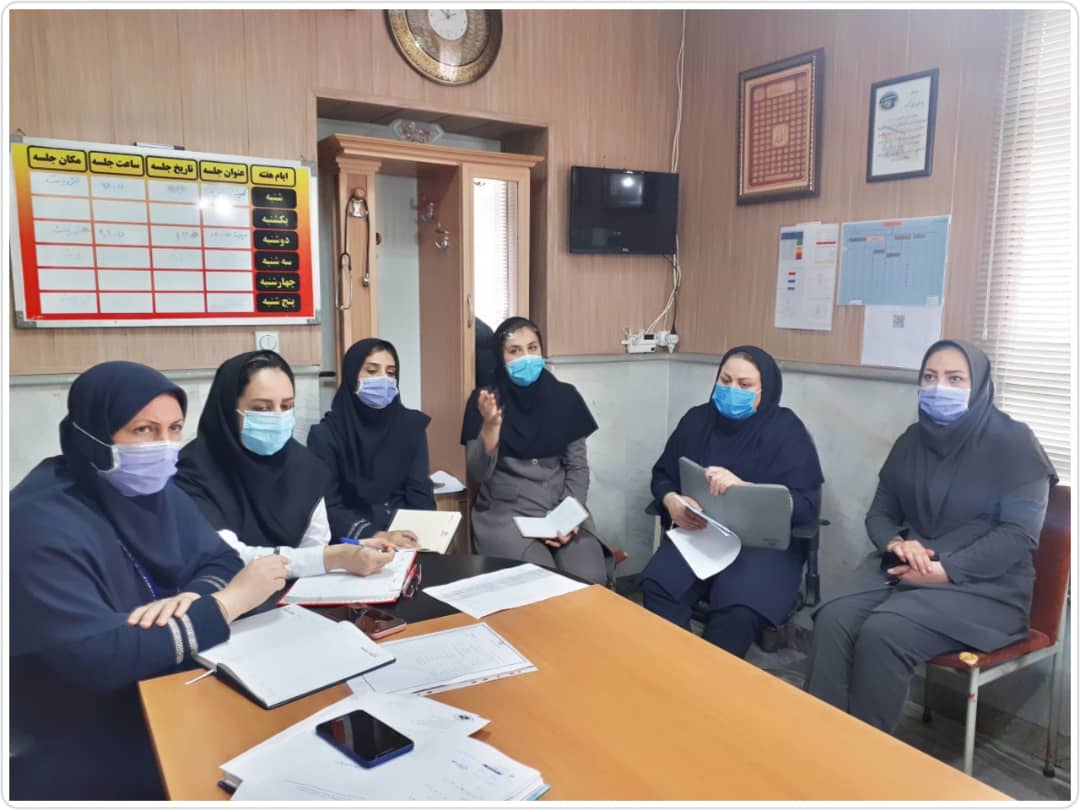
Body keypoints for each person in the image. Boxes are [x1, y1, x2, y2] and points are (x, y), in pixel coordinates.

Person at [9, 361, 288, 800]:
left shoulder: (155, 491)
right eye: (143, 430)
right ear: (93, 435)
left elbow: (220, 559)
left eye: (174, 429)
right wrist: (225, 606)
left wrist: (191, 598)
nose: (164, 446)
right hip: (83, 728)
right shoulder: (35, 521)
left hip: (165, 684)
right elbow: (99, 656)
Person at [804, 340, 1056, 733]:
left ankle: (864, 759)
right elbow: (880, 513)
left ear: (979, 385)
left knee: (884, 633)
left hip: (986, 588)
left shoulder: (1015, 445)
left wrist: (946, 571)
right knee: (833, 618)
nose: (940, 388)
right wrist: (895, 543)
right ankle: (818, 740)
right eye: (930, 377)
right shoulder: (912, 440)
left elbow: (1018, 536)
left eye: (955, 379)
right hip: (907, 568)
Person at [639, 345, 824, 657]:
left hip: (763, 548)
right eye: (725, 381)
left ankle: (712, 681)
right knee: (658, 585)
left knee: (736, 612)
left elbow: (806, 504)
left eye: (744, 384)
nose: (731, 390)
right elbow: (662, 475)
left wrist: (746, 489)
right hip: (702, 533)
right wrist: (671, 501)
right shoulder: (697, 420)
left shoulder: (786, 430)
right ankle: (678, 665)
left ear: (766, 390)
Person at [175, 350, 396, 579]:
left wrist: (347, 552)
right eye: (262, 408)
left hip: (298, 595)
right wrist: (334, 557)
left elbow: (314, 547)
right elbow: (228, 556)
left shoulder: (306, 467)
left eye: (287, 406)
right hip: (224, 594)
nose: (277, 417)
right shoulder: (190, 472)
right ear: (227, 409)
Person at [460, 316, 610, 584]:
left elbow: (578, 467)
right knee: (541, 581)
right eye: (514, 351)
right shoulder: (485, 400)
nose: (526, 358)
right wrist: (491, 428)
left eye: (532, 348)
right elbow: (477, 473)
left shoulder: (565, 397)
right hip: (507, 513)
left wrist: (569, 516)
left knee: (590, 579)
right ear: (500, 358)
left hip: (561, 505)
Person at [307, 338, 434, 542]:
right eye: (372, 371)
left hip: (406, 537)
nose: (383, 379)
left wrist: (421, 536)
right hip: (353, 541)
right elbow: (328, 506)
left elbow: (420, 494)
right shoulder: (326, 434)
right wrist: (376, 536)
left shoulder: (411, 426)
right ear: (352, 377)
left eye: (391, 373)